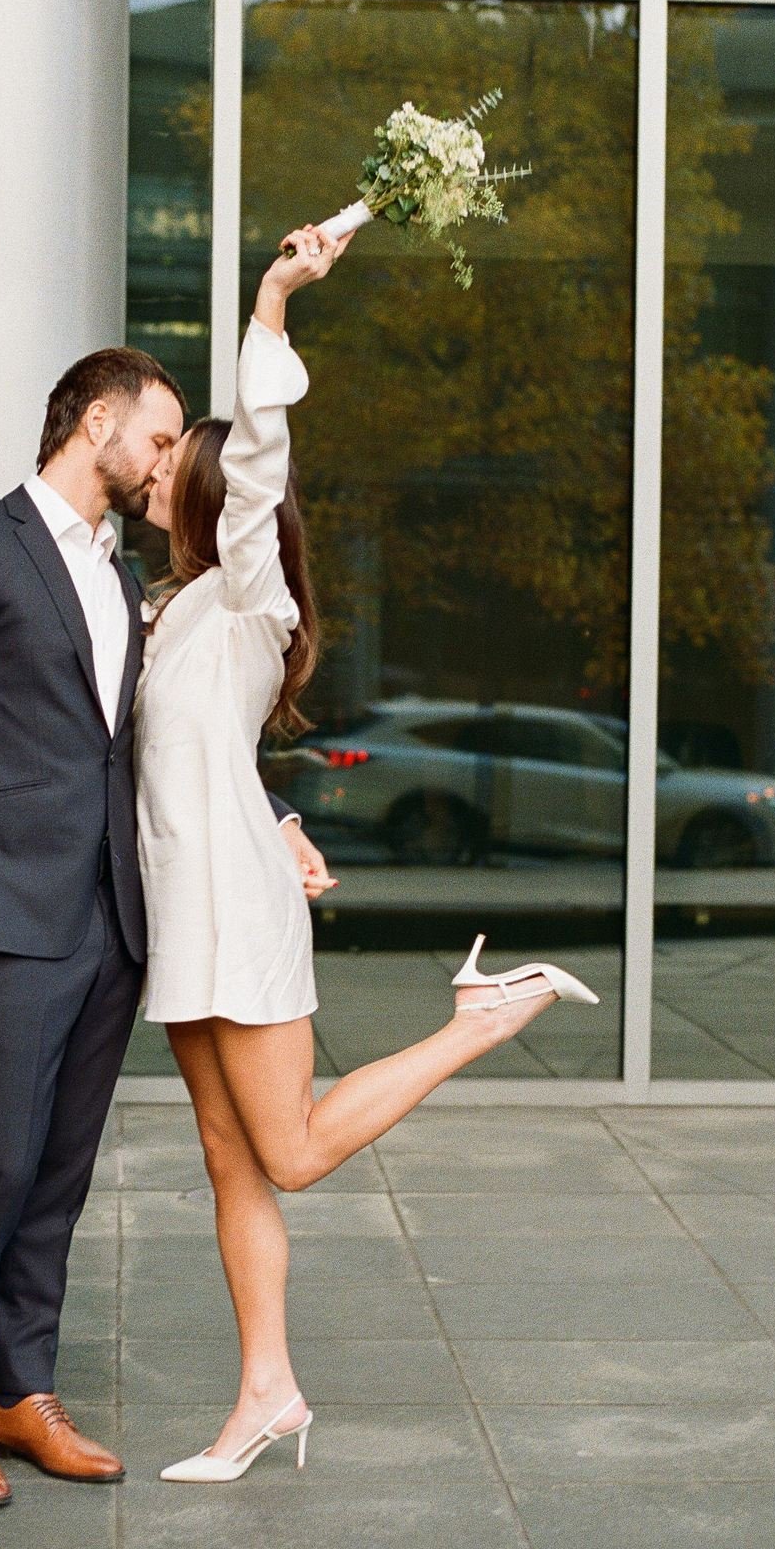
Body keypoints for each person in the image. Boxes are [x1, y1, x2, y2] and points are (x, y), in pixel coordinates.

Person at [135, 223, 599, 1484]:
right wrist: (279, 816)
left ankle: (474, 1019)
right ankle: (266, 1395)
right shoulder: (173, 607)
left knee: (283, 1149)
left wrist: (274, 298)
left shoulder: (242, 592)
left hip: (232, 910)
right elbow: (184, 759)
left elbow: (260, 463)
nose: (159, 464)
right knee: (231, 1161)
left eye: (175, 453)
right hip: (187, 910)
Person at [0, 343, 329, 1506]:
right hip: (6, 914)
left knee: (64, 1171)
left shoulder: (135, 585)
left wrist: (274, 812)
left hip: (116, 921)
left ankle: (19, 1390)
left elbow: (167, 742)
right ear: (95, 424)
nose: (164, 459)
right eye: (159, 432)